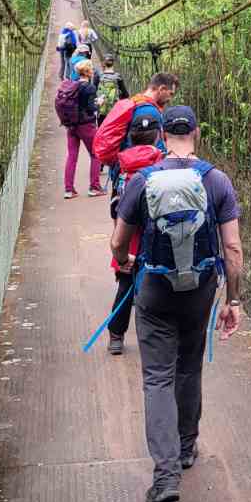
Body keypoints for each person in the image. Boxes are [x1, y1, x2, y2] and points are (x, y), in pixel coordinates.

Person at [110, 104, 243, 502]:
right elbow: (233, 249)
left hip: (154, 289)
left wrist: (127, 263)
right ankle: (186, 448)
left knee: (158, 378)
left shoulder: (142, 181)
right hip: (200, 290)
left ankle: (165, 475)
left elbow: (119, 242)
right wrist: (233, 300)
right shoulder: (216, 181)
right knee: (189, 367)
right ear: (197, 134)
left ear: (164, 135)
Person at [104, 109, 164, 356]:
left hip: (128, 235)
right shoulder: (162, 162)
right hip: (157, 235)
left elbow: (114, 206)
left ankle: (116, 337)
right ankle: (156, 338)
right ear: (158, 135)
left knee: (126, 286)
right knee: (160, 285)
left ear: (131, 135)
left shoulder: (120, 164)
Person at [93, 70, 179, 169]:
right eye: (170, 94)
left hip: (123, 168)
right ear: (161, 89)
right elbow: (151, 150)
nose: (170, 99)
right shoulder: (149, 111)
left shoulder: (136, 101)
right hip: (135, 171)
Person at [59, 62, 106, 199]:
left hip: (71, 125)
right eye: (91, 69)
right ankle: (94, 187)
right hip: (86, 125)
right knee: (96, 154)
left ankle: (69, 190)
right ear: (88, 72)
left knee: (72, 156)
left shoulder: (72, 86)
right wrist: (99, 103)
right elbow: (91, 108)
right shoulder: (90, 88)